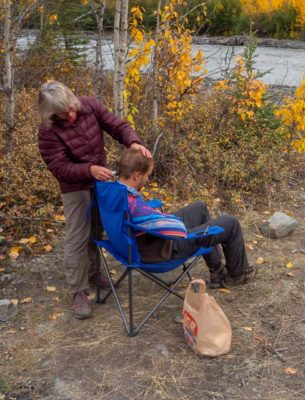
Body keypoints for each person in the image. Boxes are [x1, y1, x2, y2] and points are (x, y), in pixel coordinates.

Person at [37, 81, 152, 320]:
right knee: (77, 236)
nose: (70, 115)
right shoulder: (48, 131)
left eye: (70, 108)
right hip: (75, 185)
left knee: (98, 230)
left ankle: (93, 273)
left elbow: (116, 125)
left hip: (101, 180)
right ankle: (78, 291)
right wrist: (89, 170)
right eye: (62, 113)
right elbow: (59, 168)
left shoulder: (89, 105)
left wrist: (133, 140)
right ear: (50, 113)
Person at [118, 147, 256, 288]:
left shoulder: (114, 193)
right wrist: (170, 220)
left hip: (144, 243)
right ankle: (238, 275)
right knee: (231, 223)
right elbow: (175, 229)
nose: (147, 179)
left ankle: (217, 270)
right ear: (136, 175)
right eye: (147, 175)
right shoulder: (136, 207)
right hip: (165, 248)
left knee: (200, 208)